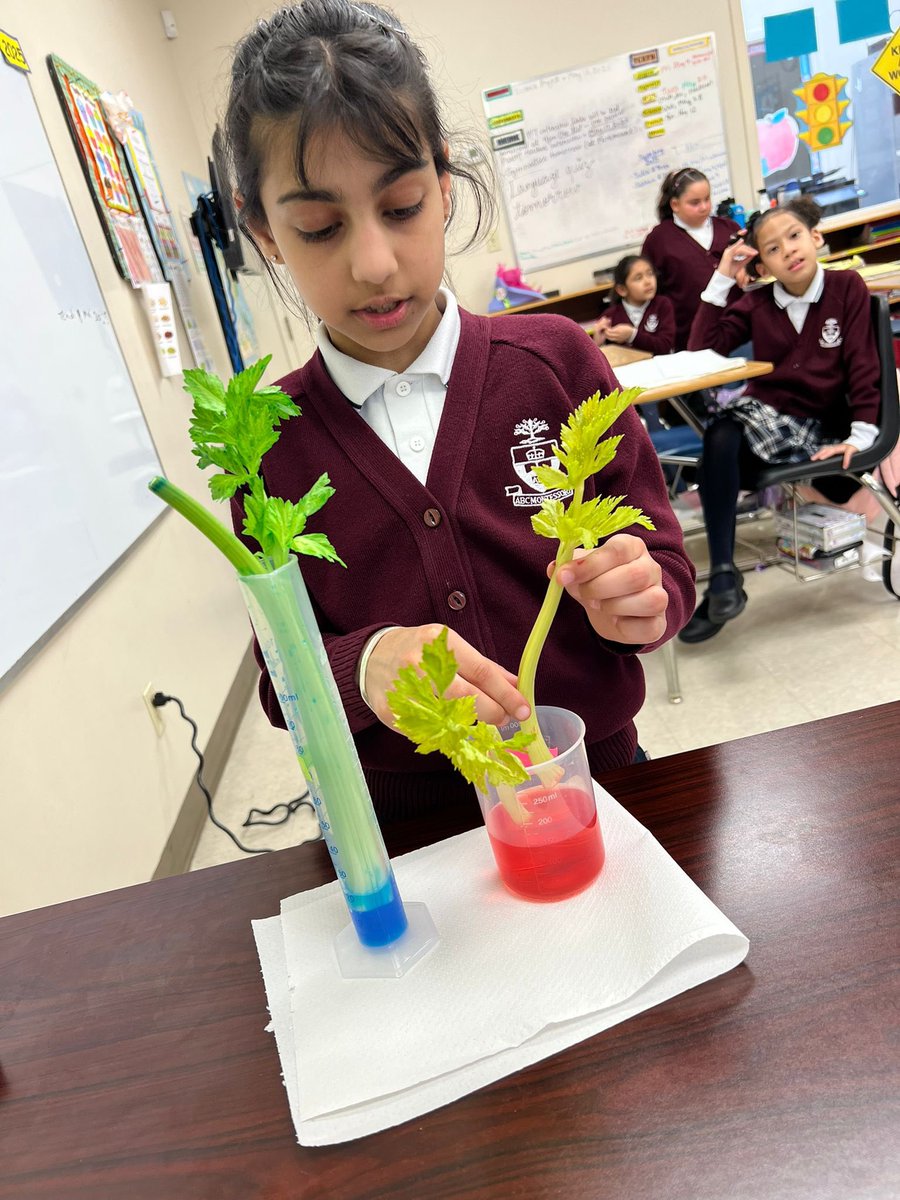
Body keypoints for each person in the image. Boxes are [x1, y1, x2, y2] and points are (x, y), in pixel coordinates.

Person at [223, 0, 696, 817]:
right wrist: (364, 665)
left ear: (444, 185)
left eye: (402, 208)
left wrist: (642, 598)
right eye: (319, 227)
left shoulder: (555, 363)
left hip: (601, 784)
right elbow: (282, 679)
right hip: (407, 827)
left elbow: (666, 568)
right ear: (263, 231)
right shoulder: (265, 447)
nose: (374, 263)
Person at [679, 196, 880, 644]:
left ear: (815, 236)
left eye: (793, 236)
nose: (787, 250)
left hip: (823, 425)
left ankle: (723, 583)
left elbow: (866, 365)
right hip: (771, 422)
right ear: (763, 264)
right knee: (721, 435)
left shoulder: (846, 286)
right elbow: (700, 352)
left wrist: (862, 435)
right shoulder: (758, 302)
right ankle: (726, 576)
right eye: (771, 248)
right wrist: (721, 276)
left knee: (719, 453)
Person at [641, 167, 741, 351]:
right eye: (694, 202)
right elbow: (653, 294)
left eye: (707, 199)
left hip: (738, 332)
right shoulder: (658, 240)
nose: (704, 207)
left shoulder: (729, 228)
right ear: (675, 205)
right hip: (689, 338)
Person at [594, 255, 675, 355]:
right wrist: (598, 343)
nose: (648, 282)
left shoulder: (662, 304)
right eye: (638, 278)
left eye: (650, 274)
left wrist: (632, 335)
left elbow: (665, 346)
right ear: (622, 290)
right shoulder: (609, 316)